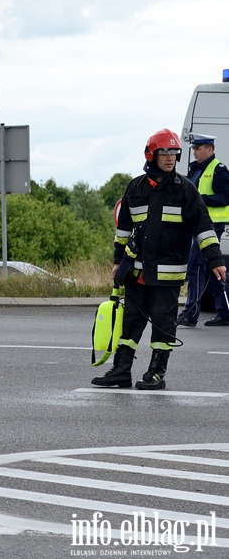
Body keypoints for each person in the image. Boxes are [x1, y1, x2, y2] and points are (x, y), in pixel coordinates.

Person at [92, 128, 227, 390]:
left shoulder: (185, 189)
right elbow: (123, 231)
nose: (170, 158)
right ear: (151, 154)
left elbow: (203, 227)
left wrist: (215, 260)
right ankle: (121, 370)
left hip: (167, 275)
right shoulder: (136, 187)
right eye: (164, 152)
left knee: (163, 327)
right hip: (136, 272)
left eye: (174, 153)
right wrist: (118, 262)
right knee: (130, 323)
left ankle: (156, 372)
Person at [177, 133, 229, 327]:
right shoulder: (196, 169)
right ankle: (225, 312)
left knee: (195, 268)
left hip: (211, 226)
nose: (195, 152)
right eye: (193, 148)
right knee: (210, 270)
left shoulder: (219, 170)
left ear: (210, 149)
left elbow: (225, 198)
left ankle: (190, 314)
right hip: (198, 225)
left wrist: (201, 199)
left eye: (198, 148)